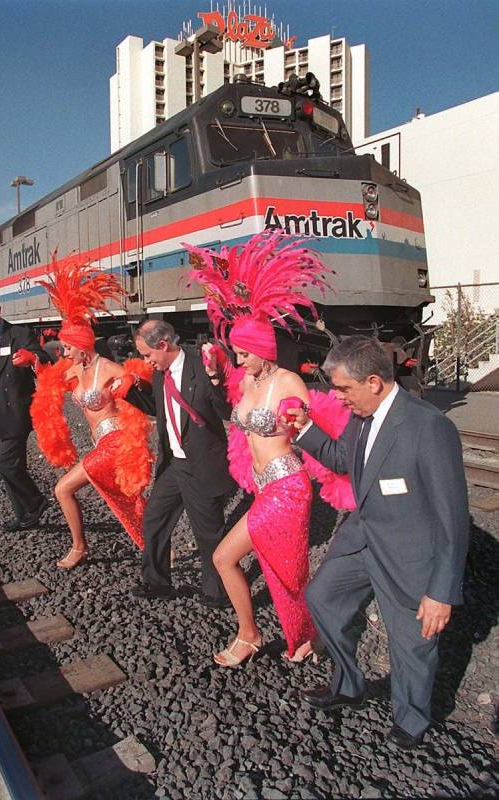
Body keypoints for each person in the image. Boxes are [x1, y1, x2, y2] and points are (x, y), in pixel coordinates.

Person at [288, 335, 470, 749]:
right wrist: (305, 430)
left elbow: (453, 517)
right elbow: (343, 462)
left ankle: (412, 718)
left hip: (409, 553)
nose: (338, 398)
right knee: (322, 598)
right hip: (363, 538)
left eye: (343, 389)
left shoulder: (429, 427)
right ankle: (349, 685)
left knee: (411, 642)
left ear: (373, 382)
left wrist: (442, 591)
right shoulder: (362, 416)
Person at [185, 231, 332, 666]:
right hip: (264, 490)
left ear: (262, 351)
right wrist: (216, 375)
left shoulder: (288, 382)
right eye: (235, 352)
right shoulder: (246, 381)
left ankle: (268, 635)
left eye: (243, 352)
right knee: (265, 566)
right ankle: (269, 633)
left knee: (249, 562)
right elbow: (231, 403)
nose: (239, 359)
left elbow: (311, 424)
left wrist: (296, 415)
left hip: (288, 487)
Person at [25, 259, 154, 568]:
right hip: (99, 444)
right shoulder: (73, 370)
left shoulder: (107, 367)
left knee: (63, 488)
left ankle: (79, 547)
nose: (63, 352)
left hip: (116, 442)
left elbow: (141, 379)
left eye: (68, 347)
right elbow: (50, 384)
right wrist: (34, 363)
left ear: (82, 347)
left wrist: (133, 380)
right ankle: (160, 548)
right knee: (131, 500)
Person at [130, 319, 234, 606]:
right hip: (175, 464)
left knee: (208, 531)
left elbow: (227, 410)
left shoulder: (201, 366)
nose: (145, 361)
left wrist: (216, 379)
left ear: (163, 345)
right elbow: (161, 408)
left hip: (201, 463)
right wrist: (129, 391)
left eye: (147, 355)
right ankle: (157, 582)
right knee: (155, 519)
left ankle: (217, 593)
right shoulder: (162, 372)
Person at [0, 288, 49, 532]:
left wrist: (29, 358)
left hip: (18, 411)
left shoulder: (18, 334)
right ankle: (25, 516)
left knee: (3, 463)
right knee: (14, 466)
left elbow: (44, 359)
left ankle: (36, 501)